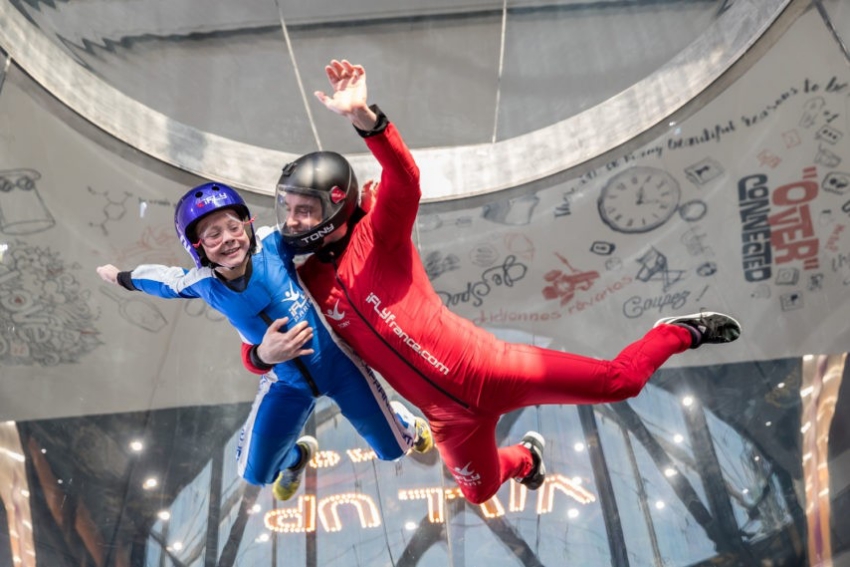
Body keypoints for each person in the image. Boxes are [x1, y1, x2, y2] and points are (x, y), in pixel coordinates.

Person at [240, 59, 742, 505]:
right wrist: (261, 355)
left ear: (336, 204)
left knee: (623, 382)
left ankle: (680, 330)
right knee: (478, 492)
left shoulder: (380, 236)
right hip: (447, 420)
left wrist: (366, 120)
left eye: (304, 210)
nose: (292, 221)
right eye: (287, 208)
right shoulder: (300, 281)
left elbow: (406, 179)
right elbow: (253, 336)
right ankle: (527, 459)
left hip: (497, 370)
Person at [96, 182, 433, 501]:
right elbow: (163, 281)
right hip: (286, 383)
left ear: (247, 225)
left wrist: (358, 205)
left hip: (339, 367)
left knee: (394, 449)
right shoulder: (202, 283)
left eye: (233, 227)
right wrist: (121, 278)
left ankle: (404, 422)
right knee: (255, 473)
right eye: (213, 235)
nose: (228, 239)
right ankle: (296, 458)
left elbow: (318, 226)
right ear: (196, 246)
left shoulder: (274, 244)